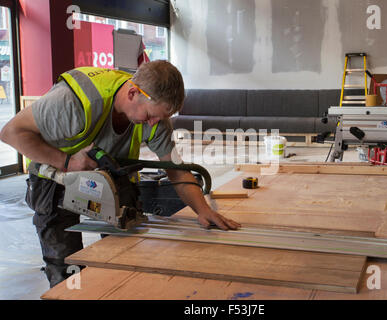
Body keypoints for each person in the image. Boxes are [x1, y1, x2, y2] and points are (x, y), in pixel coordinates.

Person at [0, 60, 241, 288]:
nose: (154, 123)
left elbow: (176, 170)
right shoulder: (72, 103)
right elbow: (10, 132)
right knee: (66, 261)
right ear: (132, 93)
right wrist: (67, 161)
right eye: (149, 115)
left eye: (160, 117)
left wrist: (203, 210)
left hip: (106, 172)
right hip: (54, 176)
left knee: (127, 247)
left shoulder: (155, 118)